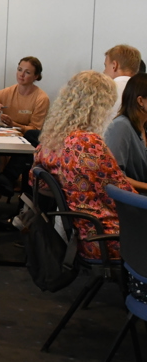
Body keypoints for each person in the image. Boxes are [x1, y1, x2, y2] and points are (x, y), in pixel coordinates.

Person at [33, 71, 134, 260]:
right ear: (100, 106)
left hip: (79, 231)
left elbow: (37, 184)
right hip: (106, 234)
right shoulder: (88, 144)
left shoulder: (50, 141)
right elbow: (123, 195)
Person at [0, 57, 50, 197]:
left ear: (36, 76)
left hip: (25, 140)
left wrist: (14, 124)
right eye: (19, 70)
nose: (21, 75)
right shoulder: (8, 92)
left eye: (27, 72)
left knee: (1, 156)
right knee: (0, 154)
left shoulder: (41, 98)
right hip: (6, 137)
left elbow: (35, 130)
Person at [104, 73, 147, 194]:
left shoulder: (143, 126)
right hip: (132, 199)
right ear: (140, 101)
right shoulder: (121, 126)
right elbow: (113, 176)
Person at [103, 44, 142, 116]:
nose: (104, 71)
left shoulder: (104, 91)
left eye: (105, 66)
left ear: (114, 65)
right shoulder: (142, 93)